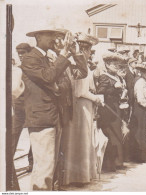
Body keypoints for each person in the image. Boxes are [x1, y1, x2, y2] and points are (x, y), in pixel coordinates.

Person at [21, 29, 74, 190]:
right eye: (50, 35)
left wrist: (57, 88)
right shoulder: (30, 58)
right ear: (38, 37)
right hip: (42, 119)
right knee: (44, 168)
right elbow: (49, 77)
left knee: (48, 166)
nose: (54, 38)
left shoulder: (46, 58)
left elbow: (58, 81)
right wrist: (64, 55)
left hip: (51, 117)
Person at [59, 32, 101, 186]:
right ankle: (78, 176)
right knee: (80, 140)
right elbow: (80, 92)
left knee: (77, 140)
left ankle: (76, 175)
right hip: (81, 107)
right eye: (89, 50)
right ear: (85, 50)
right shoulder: (78, 66)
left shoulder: (76, 65)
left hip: (81, 106)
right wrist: (97, 99)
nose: (90, 53)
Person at [97, 52, 128, 172]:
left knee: (117, 134)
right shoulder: (104, 77)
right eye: (113, 64)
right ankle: (109, 164)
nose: (116, 66)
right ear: (107, 65)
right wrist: (113, 88)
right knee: (111, 134)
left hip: (116, 107)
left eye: (117, 64)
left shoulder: (117, 77)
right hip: (108, 110)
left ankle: (118, 161)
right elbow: (100, 92)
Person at [10, 43, 32, 191]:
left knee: (36, 139)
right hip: (18, 110)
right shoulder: (17, 69)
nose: (21, 55)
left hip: (31, 109)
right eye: (19, 53)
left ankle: (32, 162)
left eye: (23, 52)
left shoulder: (32, 68)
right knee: (11, 140)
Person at [131, 62, 146, 162]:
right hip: (140, 108)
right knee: (140, 132)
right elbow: (140, 99)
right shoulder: (140, 82)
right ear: (142, 72)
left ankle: (144, 155)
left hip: (145, 108)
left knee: (144, 131)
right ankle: (140, 157)